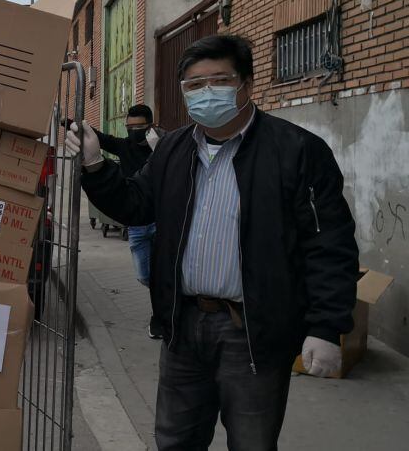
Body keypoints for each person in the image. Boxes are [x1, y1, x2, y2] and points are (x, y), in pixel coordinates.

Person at [66, 35, 358, 450]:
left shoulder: (297, 151)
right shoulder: (173, 149)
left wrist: (326, 327)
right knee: (175, 440)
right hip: (183, 326)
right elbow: (135, 205)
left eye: (218, 81)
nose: (205, 93)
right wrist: (95, 165)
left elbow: (328, 244)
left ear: (247, 85)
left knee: (252, 442)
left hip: (253, 332)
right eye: (194, 86)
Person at [87, 104, 164, 339]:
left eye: (139, 127)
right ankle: (165, 299)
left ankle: (160, 316)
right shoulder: (125, 146)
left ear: (151, 125)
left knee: (162, 274)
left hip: (162, 220)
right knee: (145, 276)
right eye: (130, 127)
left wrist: (160, 150)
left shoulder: (165, 144)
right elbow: (98, 137)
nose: (134, 131)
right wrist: (67, 120)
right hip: (138, 223)